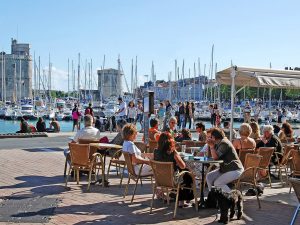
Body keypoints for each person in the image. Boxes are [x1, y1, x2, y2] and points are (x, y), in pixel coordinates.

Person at [154, 132, 194, 206]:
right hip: (172, 181)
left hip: (160, 179)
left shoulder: (156, 151)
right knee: (187, 174)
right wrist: (176, 152)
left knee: (182, 172)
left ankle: (175, 196)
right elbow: (183, 165)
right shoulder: (173, 153)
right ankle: (181, 201)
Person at [206, 128, 244, 192]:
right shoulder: (218, 143)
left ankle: (231, 198)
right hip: (226, 169)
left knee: (218, 183)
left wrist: (211, 146)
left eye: (210, 137)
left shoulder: (224, 143)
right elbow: (209, 155)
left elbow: (215, 157)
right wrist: (209, 145)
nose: (208, 139)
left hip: (235, 169)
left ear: (214, 137)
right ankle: (213, 197)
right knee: (209, 177)